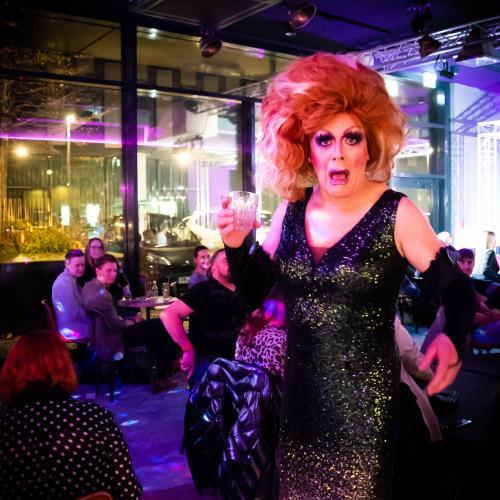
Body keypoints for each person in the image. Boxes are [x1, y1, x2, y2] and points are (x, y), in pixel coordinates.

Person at [217, 53, 474, 498]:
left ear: (369, 145)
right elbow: (255, 291)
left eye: (351, 138)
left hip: (363, 413)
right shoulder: (292, 210)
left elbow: (456, 287)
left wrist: (451, 335)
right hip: (300, 403)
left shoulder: (396, 212)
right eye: (324, 139)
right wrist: (237, 245)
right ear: (306, 148)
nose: (337, 151)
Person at [0, 330, 142, 499]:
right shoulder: (96, 418)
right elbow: (129, 492)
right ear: (66, 366)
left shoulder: (6, 428)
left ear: (11, 369)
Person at [81, 253, 179, 393]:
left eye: (115, 270)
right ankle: (165, 372)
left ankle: (162, 371)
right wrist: (133, 321)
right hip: (113, 339)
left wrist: (125, 319)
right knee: (160, 326)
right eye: (109, 270)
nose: (113, 274)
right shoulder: (103, 295)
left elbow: (109, 319)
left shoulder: (88, 287)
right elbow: (116, 325)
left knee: (157, 329)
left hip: (101, 336)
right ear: (98, 271)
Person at [160, 249, 250, 386]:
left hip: (239, 361)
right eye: (226, 260)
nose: (233, 263)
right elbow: (169, 315)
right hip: (209, 363)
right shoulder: (204, 289)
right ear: (213, 268)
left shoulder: (243, 291)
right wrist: (187, 349)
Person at [52, 248, 90, 341]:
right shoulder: (64, 283)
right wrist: (95, 317)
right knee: (106, 327)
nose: (81, 268)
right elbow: (73, 313)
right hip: (71, 329)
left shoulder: (70, 279)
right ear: (67, 264)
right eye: (77, 265)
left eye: (83, 265)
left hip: (72, 324)